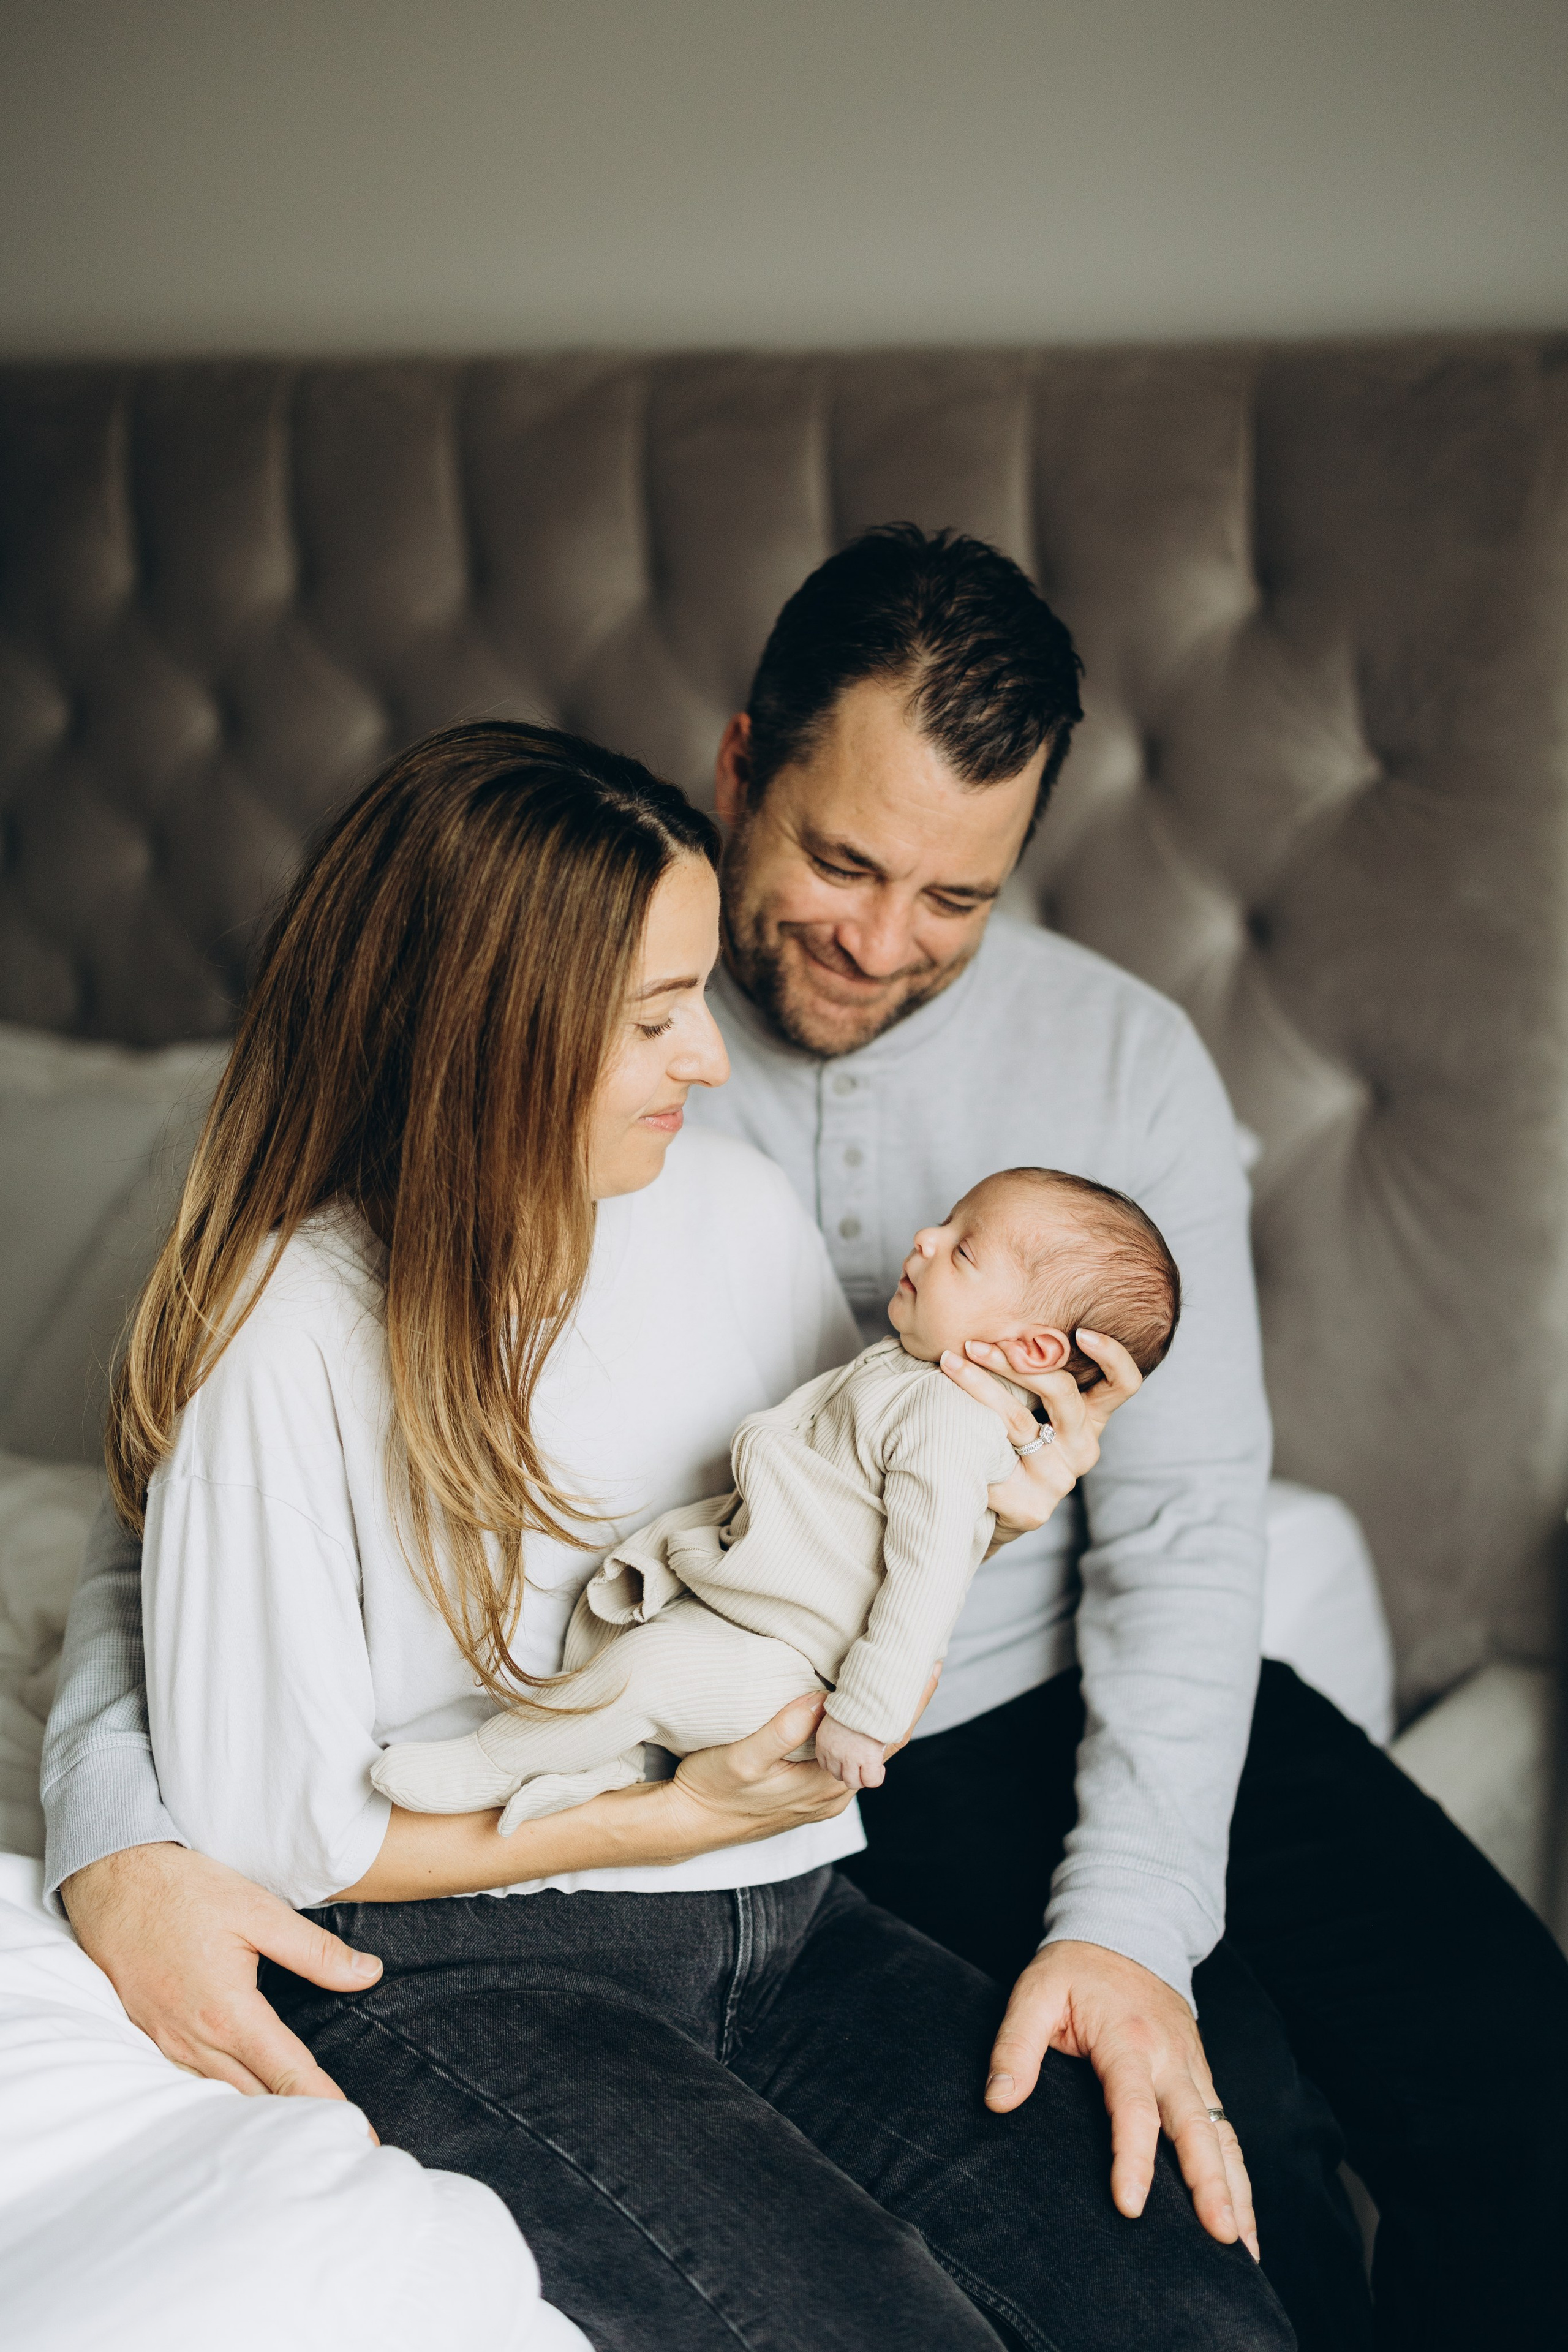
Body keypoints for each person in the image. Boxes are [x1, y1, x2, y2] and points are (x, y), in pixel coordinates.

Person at [45, 526, 1568, 2346]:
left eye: (956, 900)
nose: (880, 940)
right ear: (740, 766)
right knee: (1237, 2200)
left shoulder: (1105, 1062)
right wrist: (120, 1831)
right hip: (776, 1782)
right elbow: (172, 1545)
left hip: (974, 1712)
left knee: (1477, 2113)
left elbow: (1176, 1538)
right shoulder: (532, 1024)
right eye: (845, 862)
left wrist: (1129, 1921)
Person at [369, 1167, 1181, 1821]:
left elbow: (929, 1576)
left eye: (964, 1250)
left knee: (646, 1673)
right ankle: (594, 1757)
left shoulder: (948, 1415)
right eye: (946, 1220)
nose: (928, 1237)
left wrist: (869, 1711)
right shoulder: (910, 1369)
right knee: (621, 1628)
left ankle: (493, 1761)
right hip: (749, 1611)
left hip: (795, 1667)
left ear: (1030, 1345)